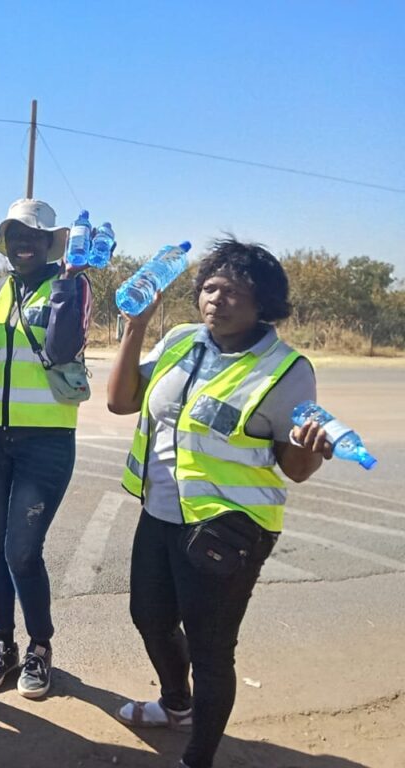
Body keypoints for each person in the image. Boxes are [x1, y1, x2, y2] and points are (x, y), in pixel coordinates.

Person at [105, 238, 334, 768]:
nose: (217, 300)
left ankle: (198, 757)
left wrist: (311, 447)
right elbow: (120, 401)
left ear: (263, 304)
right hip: (160, 513)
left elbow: (294, 467)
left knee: (211, 651)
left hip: (228, 528)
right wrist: (136, 326)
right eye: (210, 287)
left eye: (234, 292)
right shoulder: (182, 340)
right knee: (149, 616)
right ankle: (176, 705)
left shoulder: (286, 369)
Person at [0, 199, 93, 698]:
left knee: (22, 549)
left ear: (49, 244)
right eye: (15, 233)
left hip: (46, 438)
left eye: (34, 235)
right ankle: (4, 645)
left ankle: (40, 647)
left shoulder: (72, 287)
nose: (24, 242)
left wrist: (67, 278)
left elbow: (62, 347)